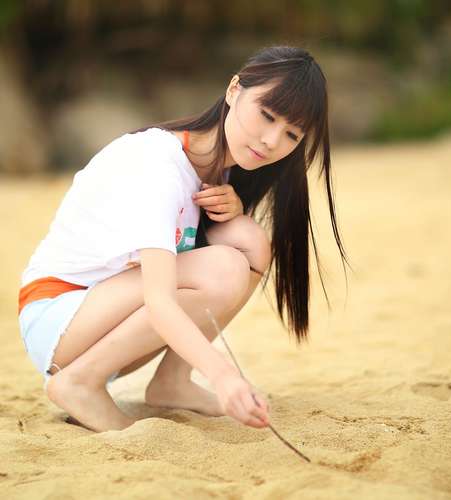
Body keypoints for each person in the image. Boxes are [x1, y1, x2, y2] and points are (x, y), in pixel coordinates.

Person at [17, 45, 351, 433]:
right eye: (267, 115)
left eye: (291, 134)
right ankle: (79, 383)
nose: (271, 140)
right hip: (57, 316)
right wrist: (224, 376)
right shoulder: (159, 164)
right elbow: (160, 300)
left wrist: (234, 213)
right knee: (225, 267)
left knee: (251, 242)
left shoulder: (219, 174)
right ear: (234, 90)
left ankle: (172, 382)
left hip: (100, 319)